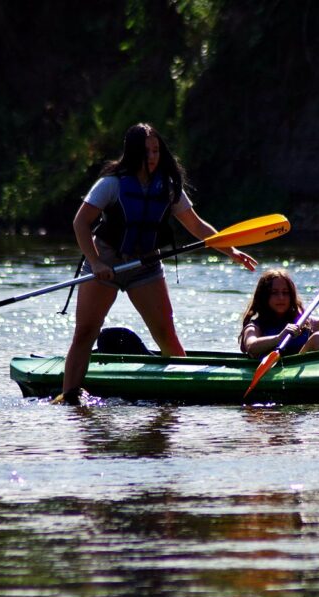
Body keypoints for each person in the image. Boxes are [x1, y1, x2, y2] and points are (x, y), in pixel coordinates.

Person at [59, 122, 257, 404]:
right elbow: (81, 223)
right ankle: (69, 395)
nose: (152, 157)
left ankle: (188, 393)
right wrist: (96, 262)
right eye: (146, 151)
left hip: (146, 267)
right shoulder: (111, 183)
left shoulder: (168, 187)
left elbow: (198, 226)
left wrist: (231, 251)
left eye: (155, 150)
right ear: (132, 153)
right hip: (105, 264)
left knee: (166, 334)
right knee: (86, 332)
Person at [239, 269, 319, 359]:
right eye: (274, 293)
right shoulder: (255, 326)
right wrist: (279, 338)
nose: (281, 298)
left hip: (304, 367)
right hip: (283, 370)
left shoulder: (302, 322)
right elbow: (251, 346)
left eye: (286, 293)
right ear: (264, 297)